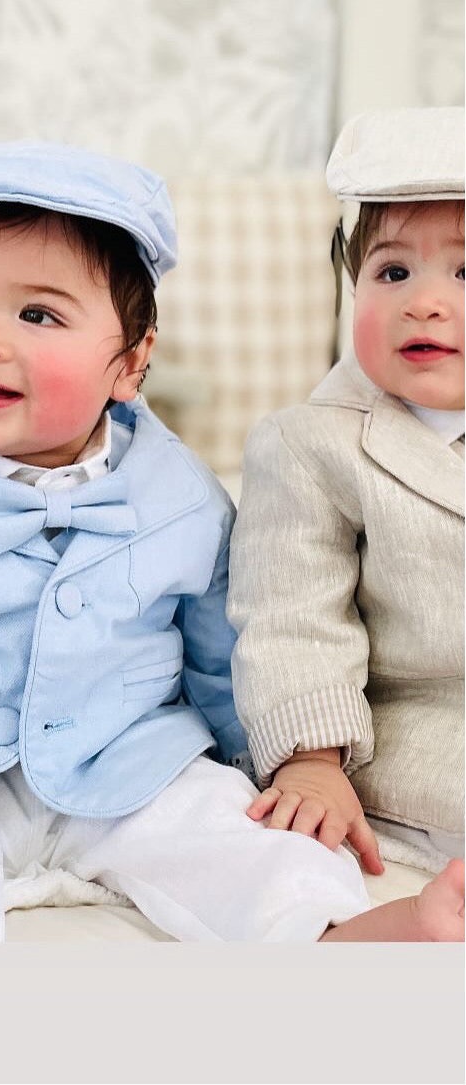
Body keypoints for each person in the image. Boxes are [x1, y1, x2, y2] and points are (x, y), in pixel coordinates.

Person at [0, 140, 451, 941]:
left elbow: (228, 655)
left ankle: (347, 937)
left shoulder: (183, 497)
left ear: (129, 364)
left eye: (37, 315)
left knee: (246, 834)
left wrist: (291, 765)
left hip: (127, 763)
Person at [228, 107, 466, 941]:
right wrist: (310, 759)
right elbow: (293, 615)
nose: (425, 304)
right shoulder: (309, 444)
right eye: (391, 272)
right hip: (422, 740)